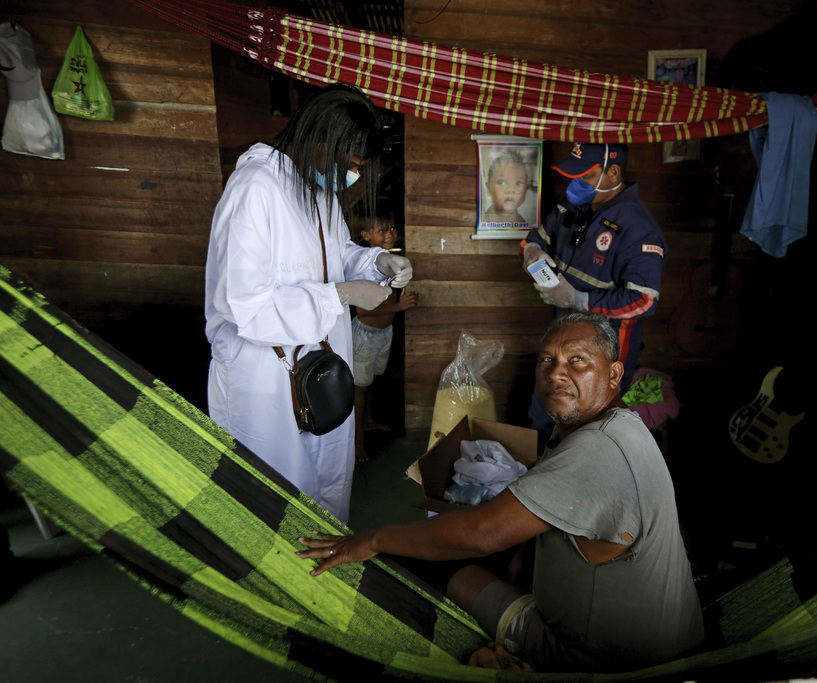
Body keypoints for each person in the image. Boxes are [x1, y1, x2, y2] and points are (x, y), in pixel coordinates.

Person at [298, 311, 704, 673]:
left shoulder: (598, 450)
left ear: (614, 374)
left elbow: (480, 536)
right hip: (665, 640)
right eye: (548, 361)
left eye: (577, 360)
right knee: (479, 546)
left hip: (605, 661)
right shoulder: (616, 426)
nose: (557, 373)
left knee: (437, 565)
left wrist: (372, 538)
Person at [204, 84, 413, 524]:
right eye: (351, 165)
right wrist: (343, 294)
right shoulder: (255, 188)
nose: (352, 176)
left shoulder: (317, 192)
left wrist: (376, 260)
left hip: (318, 366)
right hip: (265, 383)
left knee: (324, 489)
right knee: (273, 495)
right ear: (321, 142)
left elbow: (335, 257)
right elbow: (245, 306)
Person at [522, 142, 667, 442]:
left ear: (613, 173)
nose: (576, 183)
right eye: (572, 175)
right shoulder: (573, 206)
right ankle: (538, 474)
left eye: (585, 176)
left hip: (604, 342)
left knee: (591, 418)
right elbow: (539, 235)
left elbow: (643, 299)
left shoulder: (638, 228)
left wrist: (579, 300)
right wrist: (533, 251)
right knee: (546, 405)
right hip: (561, 332)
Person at [349, 209, 419, 462]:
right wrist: (399, 307)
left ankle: (367, 421)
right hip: (365, 335)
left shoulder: (389, 261)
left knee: (371, 382)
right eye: (382, 230)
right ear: (366, 235)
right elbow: (361, 310)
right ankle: (357, 443)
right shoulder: (364, 267)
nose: (390, 235)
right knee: (360, 388)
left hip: (383, 332)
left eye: (392, 229)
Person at [481, 148, 533, 228]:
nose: (510, 190)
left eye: (518, 183)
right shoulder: (483, 223)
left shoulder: (524, 225)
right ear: (488, 188)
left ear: (526, 190)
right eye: (501, 182)